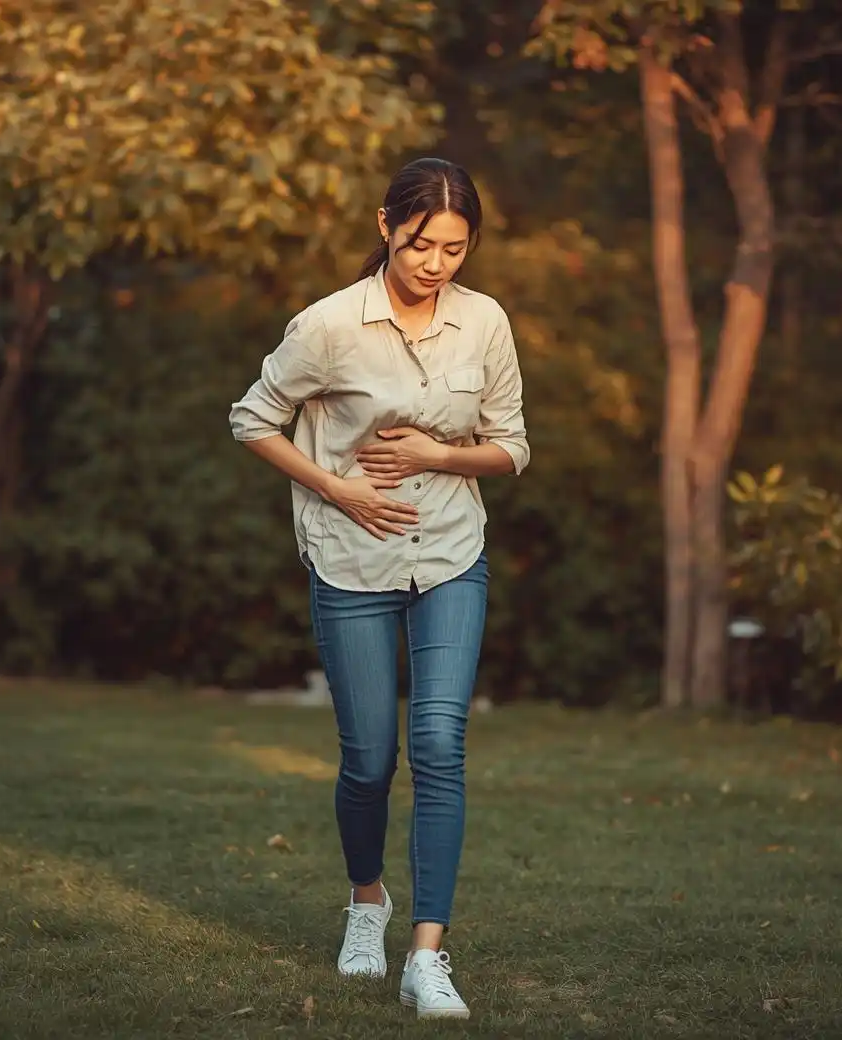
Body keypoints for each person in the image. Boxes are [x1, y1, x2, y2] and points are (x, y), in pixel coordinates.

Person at [227, 157, 529, 1020]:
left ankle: (426, 957)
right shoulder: (327, 327)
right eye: (422, 243)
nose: (437, 264)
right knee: (368, 760)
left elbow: (511, 445)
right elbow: (253, 419)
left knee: (439, 747)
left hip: (449, 555)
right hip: (349, 560)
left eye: (456, 249)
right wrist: (340, 488)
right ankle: (368, 904)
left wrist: (439, 455)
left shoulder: (485, 323)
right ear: (385, 227)